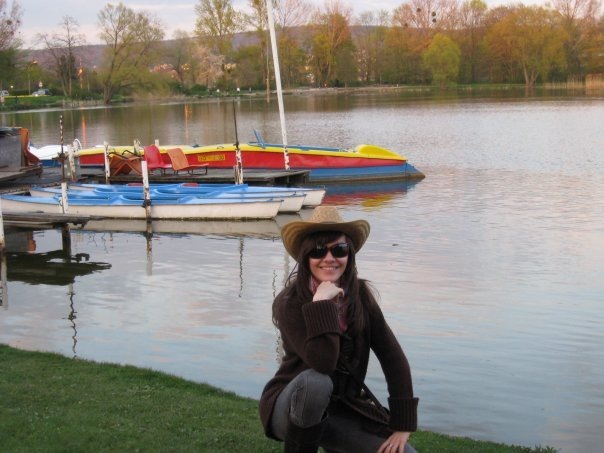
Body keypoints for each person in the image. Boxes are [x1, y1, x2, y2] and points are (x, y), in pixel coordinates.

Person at [259, 206, 419, 453]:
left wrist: (402, 423)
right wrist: (322, 305)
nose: (329, 258)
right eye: (318, 250)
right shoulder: (290, 303)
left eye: (339, 249)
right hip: (290, 407)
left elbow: (392, 356)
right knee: (316, 383)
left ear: (349, 255)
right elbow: (323, 363)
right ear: (305, 257)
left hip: (342, 408)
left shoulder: (360, 296)